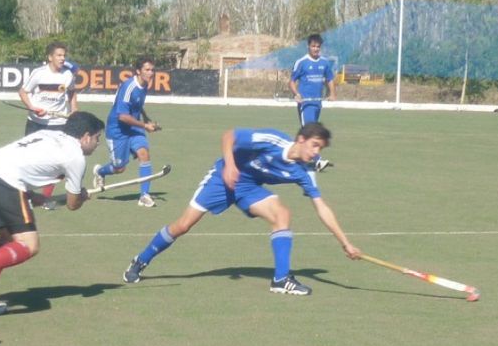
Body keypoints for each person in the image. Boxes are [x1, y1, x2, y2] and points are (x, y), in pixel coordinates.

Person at [122, 123, 361, 295]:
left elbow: (322, 208)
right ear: (300, 139)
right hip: (222, 177)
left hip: (249, 187)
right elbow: (229, 135)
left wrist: (345, 243)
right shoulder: (272, 141)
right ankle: (140, 260)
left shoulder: (305, 172)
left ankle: (281, 279)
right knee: (183, 225)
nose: (317, 153)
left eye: (321, 149)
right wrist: (230, 166)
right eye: (315, 145)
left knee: (282, 214)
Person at [0, 111, 104, 316]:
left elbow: (22, 161)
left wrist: (31, 195)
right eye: (97, 139)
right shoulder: (75, 156)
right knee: (29, 245)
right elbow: (72, 204)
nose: (97, 144)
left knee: (8, 240)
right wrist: (81, 196)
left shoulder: (47, 134)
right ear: (86, 136)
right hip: (6, 179)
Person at [92, 57, 160, 208]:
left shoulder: (144, 85)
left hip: (133, 127)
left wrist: (146, 118)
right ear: (138, 71)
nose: (151, 73)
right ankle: (100, 171)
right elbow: (122, 116)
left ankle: (144, 195)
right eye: (147, 70)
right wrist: (144, 126)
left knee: (144, 153)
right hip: (117, 130)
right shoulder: (129, 87)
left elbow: (137, 105)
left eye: (152, 70)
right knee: (119, 168)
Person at [18, 42, 78, 205]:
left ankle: (46, 198)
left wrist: (74, 110)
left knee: (55, 162)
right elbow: (23, 92)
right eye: (59, 55)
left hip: (58, 123)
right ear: (50, 57)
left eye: (64, 55)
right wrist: (32, 107)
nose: (62, 58)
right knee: (29, 161)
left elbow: (72, 92)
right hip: (36, 122)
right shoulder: (38, 74)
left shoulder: (68, 75)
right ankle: (27, 195)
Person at [288, 34, 336, 171]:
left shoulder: (324, 63)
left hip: (317, 104)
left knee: (306, 133)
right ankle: (318, 161)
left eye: (318, 47)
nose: (315, 49)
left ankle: (291, 155)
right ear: (308, 46)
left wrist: (332, 94)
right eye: (313, 46)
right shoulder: (301, 62)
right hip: (305, 104)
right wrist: (296, 94)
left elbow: (330, 80)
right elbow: (292, 82)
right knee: (310, 132)